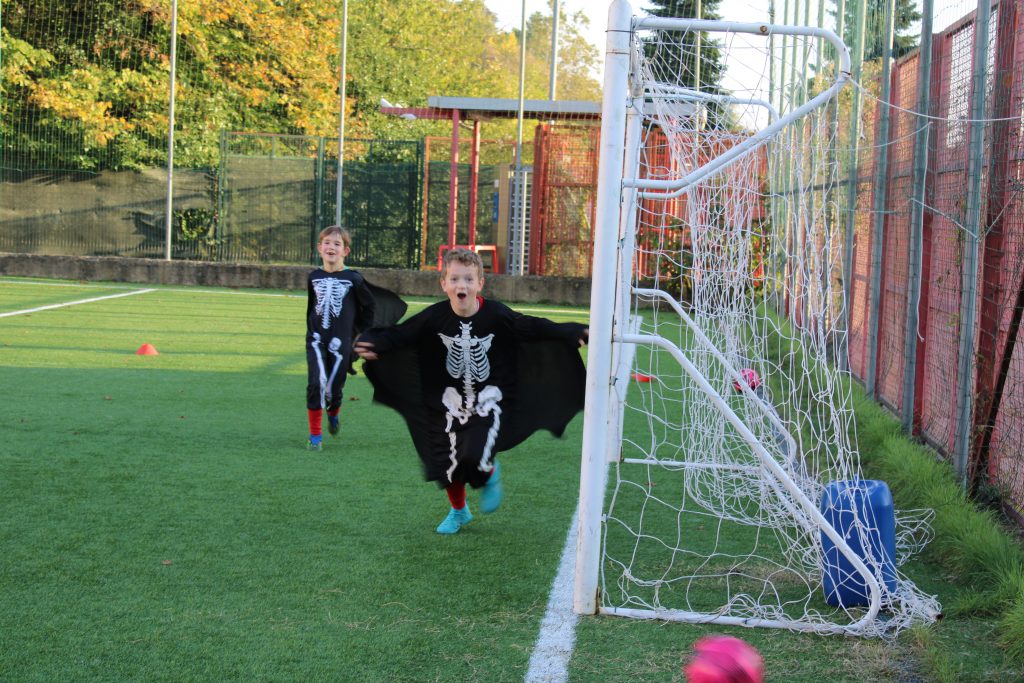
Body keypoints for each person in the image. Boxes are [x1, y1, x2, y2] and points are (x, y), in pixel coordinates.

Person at [354, 248, 588, 534]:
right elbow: (401, 334)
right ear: (443, 283)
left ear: (480, 283)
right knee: (445, 465)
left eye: (468, 279)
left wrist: (569, 331)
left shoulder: (496, 315)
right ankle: (459, 511)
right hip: (447, 403)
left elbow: (531, 327)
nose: (461, 285)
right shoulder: (434, 318)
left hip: (486, 401)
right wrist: (375, 343)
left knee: (473, 456)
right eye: (454, 279)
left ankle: (489, 471)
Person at [305, 225, 406, 450]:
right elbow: (312, 308)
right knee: (316, 383)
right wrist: (311, 332)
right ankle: (315, 436)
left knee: (332, 390)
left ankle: (333, 413)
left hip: (341, 342)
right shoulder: (314, 276)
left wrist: (359, 333)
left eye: (337, 244)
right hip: (316, 339)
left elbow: (369, 307)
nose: (331, 247)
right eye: (327, 243)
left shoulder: (353, 279)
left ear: (345, 251)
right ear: (320, 248)